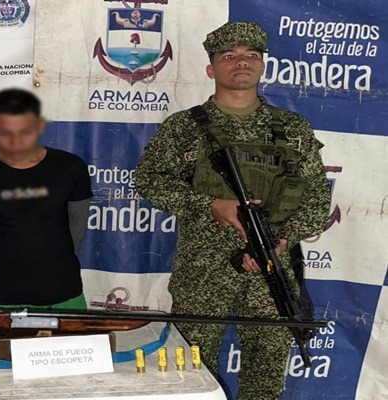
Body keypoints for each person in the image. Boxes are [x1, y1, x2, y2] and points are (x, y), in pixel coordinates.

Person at [135, 22, 331, 400]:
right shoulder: (184, 127)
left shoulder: (292, 128)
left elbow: (316, 199)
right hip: (202, 272)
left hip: (271, 271)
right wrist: (211, 206)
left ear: (262, 66)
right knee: (191, 373)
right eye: (229, 55)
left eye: (251, 55)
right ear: (211, 69)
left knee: (265, 377)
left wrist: (279, 240)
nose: (241, 62)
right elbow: (149, 181)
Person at [0, 88, 92, 312]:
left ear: (39, 126)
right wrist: (6, 259)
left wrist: (56, 258)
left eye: (24, 131)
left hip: (62, 287)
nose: (15, 140)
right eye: (5, 131)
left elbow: (78, 222)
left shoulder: (71, 167)